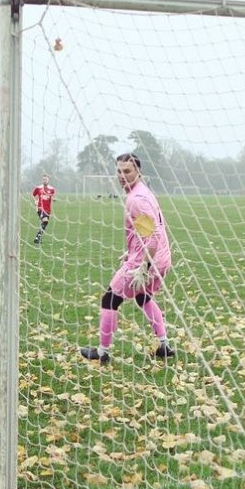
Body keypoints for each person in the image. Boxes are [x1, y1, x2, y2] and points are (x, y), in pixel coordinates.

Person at [80, 153, 175, 364]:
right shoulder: (142, 192)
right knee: (143, 298)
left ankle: (102, 353)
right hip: (161, 258)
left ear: (138, 172)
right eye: (119, 171)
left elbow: (152, 237)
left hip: (147, 262)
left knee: (109, 299)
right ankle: (164, 345)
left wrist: (143, 265)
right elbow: (149, 231)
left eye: (127, 171)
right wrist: (132, 251)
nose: (122, 176)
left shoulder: (136, 200)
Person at [31, 174, 56, 244]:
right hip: (40, 208)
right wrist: (35, 200)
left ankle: (38, 238)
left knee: (44, 223)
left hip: (48, 209)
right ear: (42, 180)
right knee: (45, 221)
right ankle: (38, 238)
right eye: (43, 179)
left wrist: (53, 199)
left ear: (48, 180)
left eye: (46, 179)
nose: (44, 181)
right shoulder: (38, 188)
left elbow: (52, 196)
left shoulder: (52, 189)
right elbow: (33, 195)